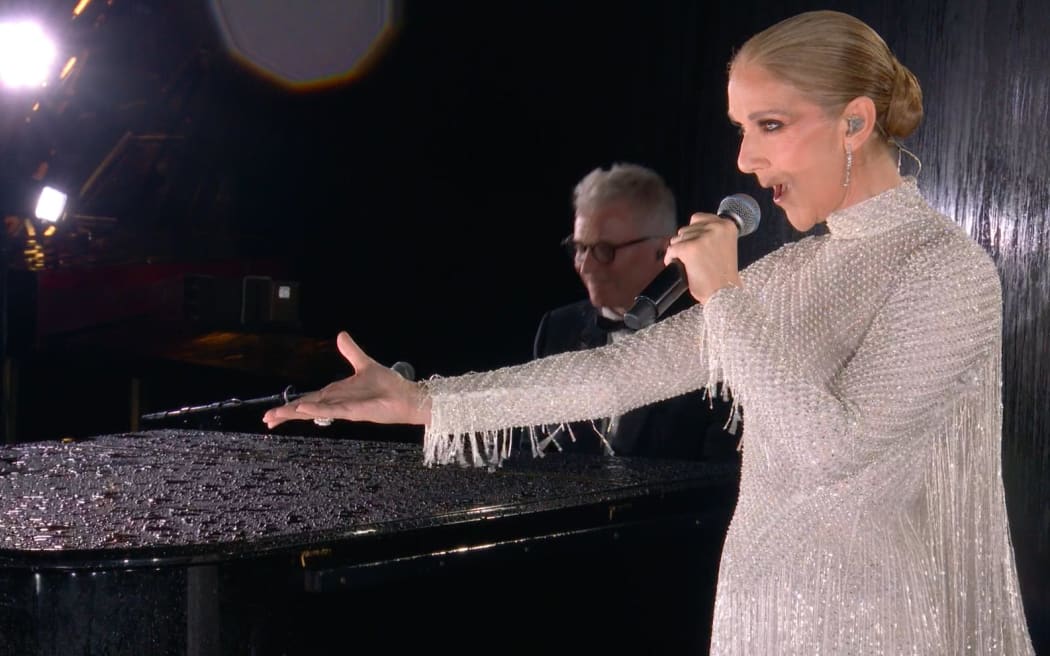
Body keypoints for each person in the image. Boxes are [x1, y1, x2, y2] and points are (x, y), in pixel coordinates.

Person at [264, 10, 1035, 654]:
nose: (745, 157)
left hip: (871, 630)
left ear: (856, 121)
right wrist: (421, 402)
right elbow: (616, 373)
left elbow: (834, 448)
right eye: (740, 128)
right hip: (753, 617)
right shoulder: (792, 275)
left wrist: (726, 295)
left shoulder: (945, 271)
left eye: (771, 124)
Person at [533, 162, 738, 460]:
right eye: (579, 248)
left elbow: (721, 478)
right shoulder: (557, 327)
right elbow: (535, 454)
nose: (586, 267)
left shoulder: (715, 337)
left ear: (663, 250)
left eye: (605, 250)